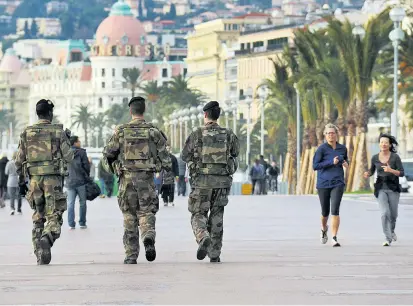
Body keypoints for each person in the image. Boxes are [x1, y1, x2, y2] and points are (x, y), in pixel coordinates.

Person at [102, 96, 171, 264]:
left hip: (126, 182)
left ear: (130, 111)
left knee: (129, 217)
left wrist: (114, 168)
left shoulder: (121, 131)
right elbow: (166, 160)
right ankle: (148, 236)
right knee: (146, 212)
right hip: (147, 181)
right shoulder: (153, 131)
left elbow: (108, 154)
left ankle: (131, 255)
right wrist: (156, 168)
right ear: (144, 110)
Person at [15, 99, 74, 265]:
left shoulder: (27, 132)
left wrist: (21, 182)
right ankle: (48, 237)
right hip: (53, 180)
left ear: (37, 113)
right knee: (54, 214)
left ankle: (40, 254)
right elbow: (69, 157)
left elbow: (18, 161)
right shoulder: (57, 131)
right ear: (50, 114)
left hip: (34, 181)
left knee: (38, 216)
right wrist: (67, 141)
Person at [182, 101, 239, 263]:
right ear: (217, 115)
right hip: (222, 183)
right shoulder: (228, 133)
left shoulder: (196, 134)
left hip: (201, 182)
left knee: (198, 213)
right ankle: (214, 253)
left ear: (205, 114)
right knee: (217, 216)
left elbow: (184, 156)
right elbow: (235, 152)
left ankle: (202, 236)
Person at [363, 134, 404, 246]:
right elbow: (371, 171)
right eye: (381, 142)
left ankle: (391, 231)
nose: (383, 144)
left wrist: (391, 170)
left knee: (393, 215)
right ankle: (387, 238)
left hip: (393, 188)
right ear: (379, 144)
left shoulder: (395, 157)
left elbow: (402, 173)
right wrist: (367, 174)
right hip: (380, 187)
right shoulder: (375, 157)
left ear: (390, 144)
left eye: (386, 142)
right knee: (384, 213)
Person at [312, 123, 348, 247]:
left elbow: (345, 159)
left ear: (336, 134)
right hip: (323, 183)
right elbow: (315, 166)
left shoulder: (342, 148)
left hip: (338, 182)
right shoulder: (321, 149)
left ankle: (334, 237)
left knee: (335, 211)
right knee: (325, 212)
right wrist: (330, 162)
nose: (330, 135)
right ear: (325, 135)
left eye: (332, 133)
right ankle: (323, 229)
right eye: (328, 133)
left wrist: (345, 164)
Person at [66, 136, 90, 230]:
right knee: (82, 203)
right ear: (75, 143)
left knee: (70, 203)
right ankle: (82, 223)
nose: (80, 142)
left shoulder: (66, 153)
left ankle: (71, 224)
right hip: (81, 182)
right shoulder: (82, 152)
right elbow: (86, 166)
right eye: (78, 141)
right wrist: (86, 176)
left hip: (70, 182)